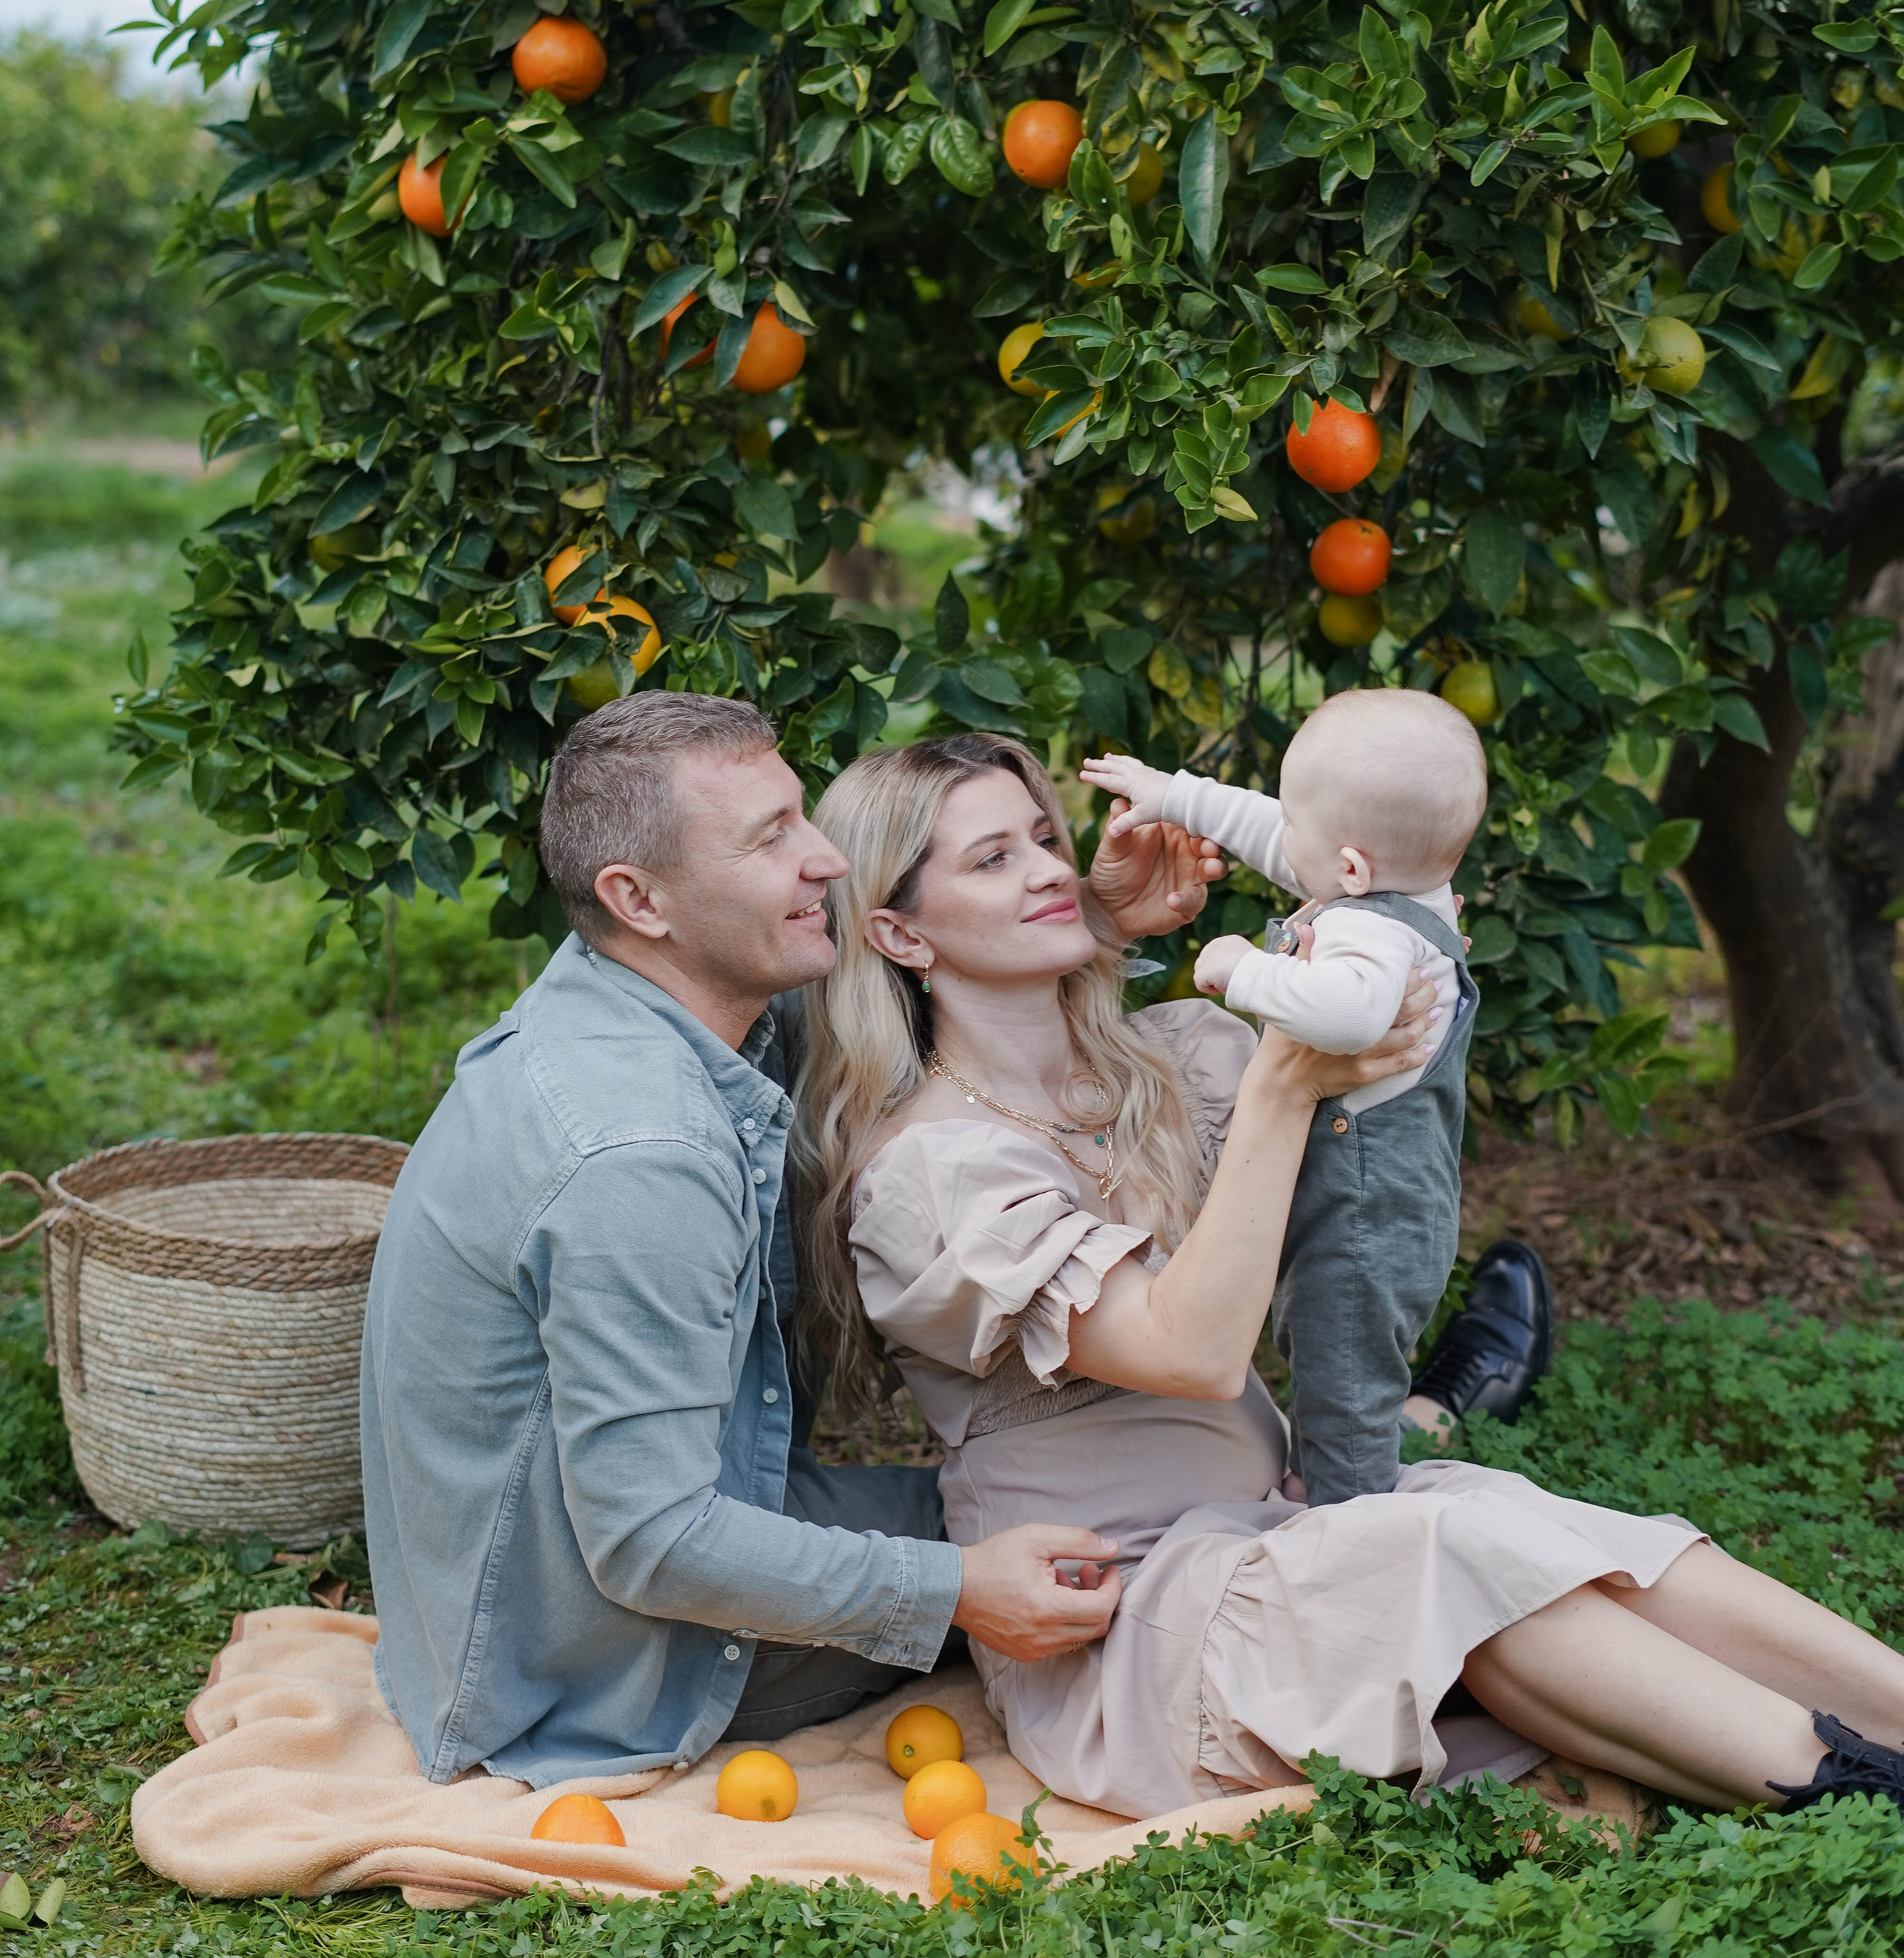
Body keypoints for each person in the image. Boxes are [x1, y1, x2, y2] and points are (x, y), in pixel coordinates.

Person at [797, 730, 1904, 1825]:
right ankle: (1849, 1792)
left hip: (1284, 1521)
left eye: (1046, 838)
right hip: (1132, 1621)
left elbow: (1357, 1208)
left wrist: (1376, 950)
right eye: (993, 859)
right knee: (1431, 1552)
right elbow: (1192, 1351)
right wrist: (1284, 1086)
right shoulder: (930, 1175)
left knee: (1510, 1518)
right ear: (896, 931)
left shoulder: (1160, 1064)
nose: (1047, 868)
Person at [358, 692, 1219, 1787]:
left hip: (604, 1545)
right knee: (1103, 1558)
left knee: (1077, 1511)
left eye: (801, 814)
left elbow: (901, 993)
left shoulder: (662, 998)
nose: (827, 859)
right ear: (639, 898)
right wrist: (959, 1592)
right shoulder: (640, 1155)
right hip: (594, 1665)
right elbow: (653, 1543)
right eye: (771, 839)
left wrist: (1090, 920)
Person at [1081, 691, 1493, 1507]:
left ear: (1350, 870)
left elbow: (1350, 1016)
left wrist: (1243, 969)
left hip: (1366, 1215)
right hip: (1384, 1197)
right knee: (1332, 1355)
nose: (1278, 834)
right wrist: (1176, 795)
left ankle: (1349, 1510)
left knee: (1343, 1370)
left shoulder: (1369, 932)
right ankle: (1329, 1471)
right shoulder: (1398, 885)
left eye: (1294, 821)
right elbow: (1277, 834)